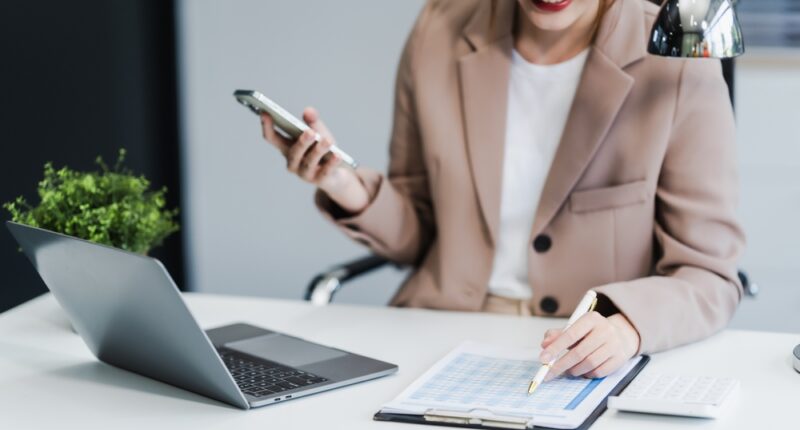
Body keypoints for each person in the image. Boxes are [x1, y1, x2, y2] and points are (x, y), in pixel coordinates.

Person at [258, 0, 745, 380]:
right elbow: (420, 235)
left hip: (577, 356)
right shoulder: (439, 30)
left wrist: (628, 326)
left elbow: (708, 276)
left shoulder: (677, 56)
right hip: (438, 333)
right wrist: (342, 183)